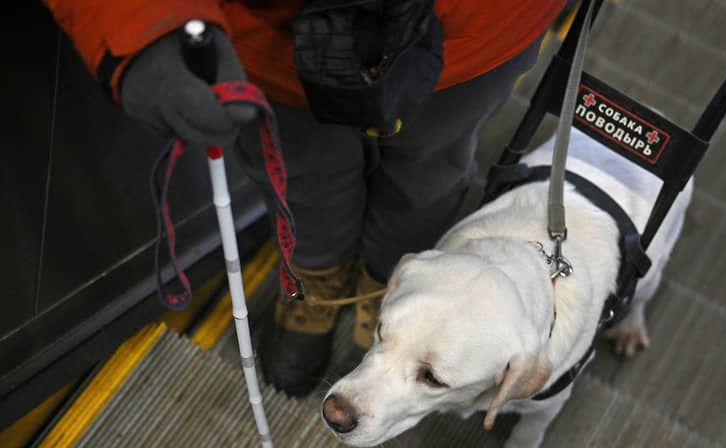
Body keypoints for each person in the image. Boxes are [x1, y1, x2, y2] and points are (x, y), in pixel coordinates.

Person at [44, 0, 568, 397]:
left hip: (480, 30)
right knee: (302, 179)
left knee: (429, 176)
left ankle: (390, 293)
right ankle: (313, 289)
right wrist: (135, 17)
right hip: (270, 36)